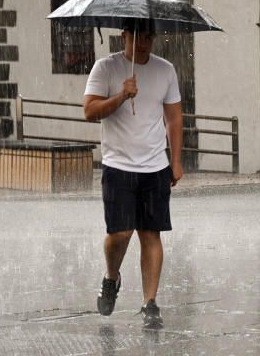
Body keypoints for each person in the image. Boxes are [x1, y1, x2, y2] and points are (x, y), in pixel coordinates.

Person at [83, 19, 183, 329]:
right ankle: (111, 277)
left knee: (150, 234)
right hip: (118, 165)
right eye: (138, 36)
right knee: (120, 234)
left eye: (150, 36)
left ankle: (149, 302)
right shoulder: (106, 68)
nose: (144, 42)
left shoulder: (165, 70)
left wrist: (175, 160)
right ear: (124, 35)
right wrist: (122, 96)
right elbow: (89, 111)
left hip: (154, 165)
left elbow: (174, 119)